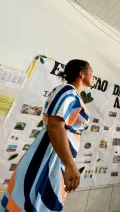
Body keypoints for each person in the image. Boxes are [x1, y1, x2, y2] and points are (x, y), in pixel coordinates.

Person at [0, 60, 93, 212]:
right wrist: (70, 164)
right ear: (82, 73)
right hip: (48, 158)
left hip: (57, 159)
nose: (93, 76)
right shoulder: (67, 90)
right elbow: (55, 126)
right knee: (33, 201)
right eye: (92, 72)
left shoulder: (72, 94)